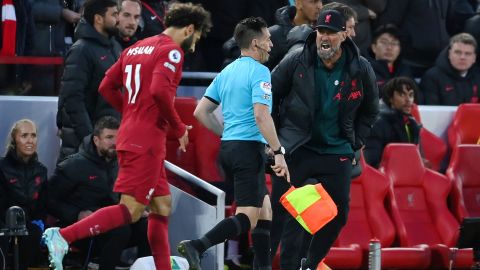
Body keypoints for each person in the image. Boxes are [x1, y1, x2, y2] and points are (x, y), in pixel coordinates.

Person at [42, 3, 212, 270]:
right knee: (131, 211)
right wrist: (178, 127)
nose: (195, 43)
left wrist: (132, 113)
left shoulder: (135, 47)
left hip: (136, 135)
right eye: (197, 36)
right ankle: (62, 236)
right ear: (190, 29)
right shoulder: (172, 51)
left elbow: (106, 86)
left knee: (161, 206)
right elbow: (158, 91)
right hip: (145, 142)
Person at [177, 17, 290, 270]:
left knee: (265, 210)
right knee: (247, 217)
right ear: (255, 43)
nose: (271, 44)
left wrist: (227, 133)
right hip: (247, 150)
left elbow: (200, 112)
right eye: (267, 39)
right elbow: (262, 116)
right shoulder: (260, 72)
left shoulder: (226, 71)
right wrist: (278, 151)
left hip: (229, 149)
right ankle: (197, 245)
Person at [270, 9, 378, 270]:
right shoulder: (296, 59)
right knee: (286, 214)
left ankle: (311, 264)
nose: (324, 37)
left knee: (338, 215)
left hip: (336, 150)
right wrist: (274, 143)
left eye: (331, 32)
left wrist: (355, 141)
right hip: (298, 148)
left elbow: (371, 109)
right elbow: (268, 97)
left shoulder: (360, 67)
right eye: (321, 31)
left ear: (344, 35)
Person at [48, 116, 150, 270]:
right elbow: (48, 200)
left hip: (112, 225)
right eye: (109, 137)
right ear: (96, 140)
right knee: (120, 229)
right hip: (80, 230)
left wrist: (135, 209)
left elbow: (119, 198)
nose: (115, 143)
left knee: (149, 225)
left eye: (119, 137)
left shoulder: (120, 163)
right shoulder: (73, 165)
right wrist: (77, 214)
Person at [56, 0, 122, 162]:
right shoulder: (81, 50)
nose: (118, 19)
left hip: (108, 144)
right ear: (98, 19)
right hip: (86, 146)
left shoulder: (115, 47)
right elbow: (72, 99)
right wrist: (90, 139)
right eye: (114, 14)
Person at [0, 119, 48, 270]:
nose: (30, 140)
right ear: (15, 139)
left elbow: (43, 204)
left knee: (33, 235)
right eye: (24, 135)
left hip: (29, 227)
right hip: (4, 224)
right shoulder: (2, 167)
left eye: (33, 136)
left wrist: (39, 223)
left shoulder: (41, 170)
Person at [223, 0, 323, 70]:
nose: (320, 6)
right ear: (298, 3)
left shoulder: (324, 34)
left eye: (320, 1)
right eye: (313, 1)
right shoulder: (276, 34)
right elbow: (232, 48)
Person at [364, 77, 422, 168]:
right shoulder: (377, 124)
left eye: (411, 95)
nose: (408, 100)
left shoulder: (413, 125)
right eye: (402, 95)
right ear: (390, 98)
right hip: (385, 178)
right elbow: (372, 162)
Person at [420, 32, 480, 105]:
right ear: (449, 54)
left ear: (474, 58)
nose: (462, 57)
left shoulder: (478, 77)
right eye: (458, 52)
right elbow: (432, 110)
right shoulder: (432, 77)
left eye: (468, 54)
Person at [368, 24, 413, 95]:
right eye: (384, 42)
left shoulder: (406, 71)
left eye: (394, 43)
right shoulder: (365, 69)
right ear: (374, 47)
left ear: (399, 50)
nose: (389, 47)